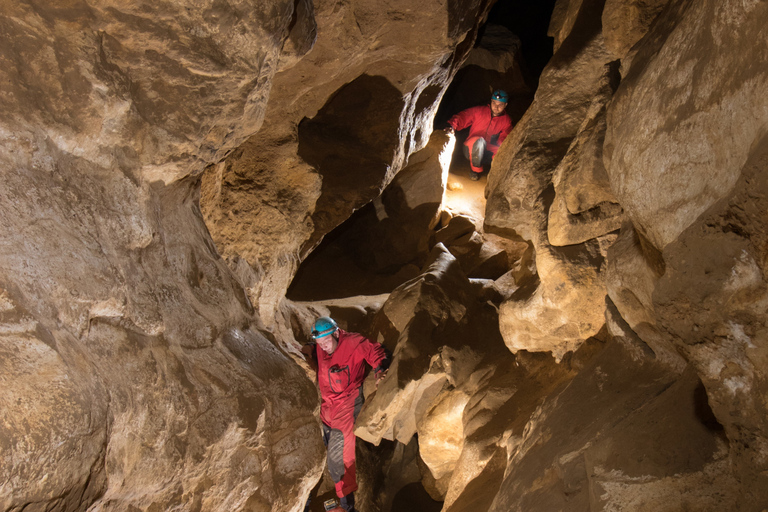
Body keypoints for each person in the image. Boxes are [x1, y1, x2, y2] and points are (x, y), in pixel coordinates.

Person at [301, 316, 389, 512]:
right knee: (322, 449)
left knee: (339, 457)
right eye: (319, 343)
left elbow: (375, 351)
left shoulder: (352, 343)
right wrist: (308, 349)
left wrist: (380, 370)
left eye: (326, 342)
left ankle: (347, 506)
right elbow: (313, 347)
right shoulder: (321, 346)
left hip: (347, 404)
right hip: (327, 408)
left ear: (335, 333)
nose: (323, 347)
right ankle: (308, 502)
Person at [444, 89, 514, 180]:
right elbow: (463, 117)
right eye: (494, 103)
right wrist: (452, 126)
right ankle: (475, 171)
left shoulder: (506, 120)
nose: (496, 107)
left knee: (503, 150)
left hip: (487, 150)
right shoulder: (479, 111)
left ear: (505, 105)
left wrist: (500, 153)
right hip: (470, 147)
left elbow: (505, 138)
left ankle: (497, 176)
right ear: (491, 102)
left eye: (500, 105)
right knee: (479, 141)